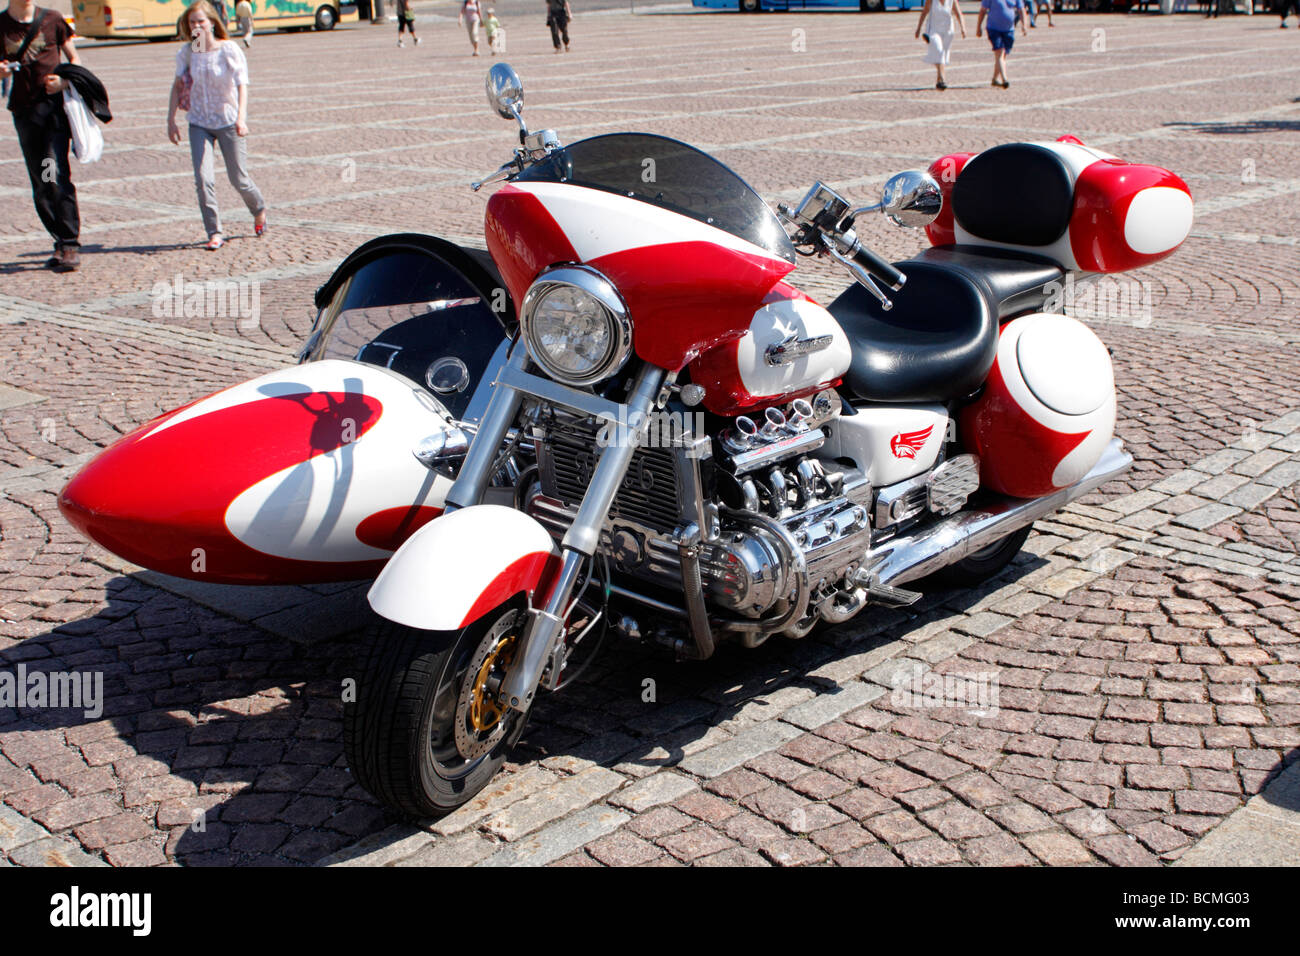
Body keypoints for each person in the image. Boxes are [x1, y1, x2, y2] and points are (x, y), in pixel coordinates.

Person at [166, 0, 266, 250]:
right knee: (202, 178)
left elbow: (243, 84)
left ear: (212, 22)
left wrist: (241, 118)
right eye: (192, 22)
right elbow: (177, 86)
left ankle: (259, 209)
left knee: (238, 179)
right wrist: (170, 119)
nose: (197, 26)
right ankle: (214, 231)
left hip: (228, 120)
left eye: (201, 21)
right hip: (199, 121)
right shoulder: (188, 52)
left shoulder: (228, 49)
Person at [1, 0, 83, 272]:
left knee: (56, 172)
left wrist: (65, 80)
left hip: (54, 111)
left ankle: (70, 242)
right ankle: (59, 239)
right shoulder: (1, 25)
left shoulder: (52, 19)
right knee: (41, 180)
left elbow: (74, 58)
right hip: (25, 113)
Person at [915, 0, 965, 91]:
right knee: (939, 50)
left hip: (948, 31)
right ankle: (942, 79)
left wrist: (963, 28)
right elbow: (924, 12)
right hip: (934, 30)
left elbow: (959, 14)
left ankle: (939, 80)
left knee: (943, 54)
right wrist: (918, 29)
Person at [976, 0, 1026, 90]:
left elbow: (1021, 9)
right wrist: (978, 27)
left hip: (1009, 30)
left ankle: (994, 79)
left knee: (1002, 56)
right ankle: (1004, 79)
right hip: (993, 28)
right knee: (1000, 52)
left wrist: (1024, 25)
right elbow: (983, 10)